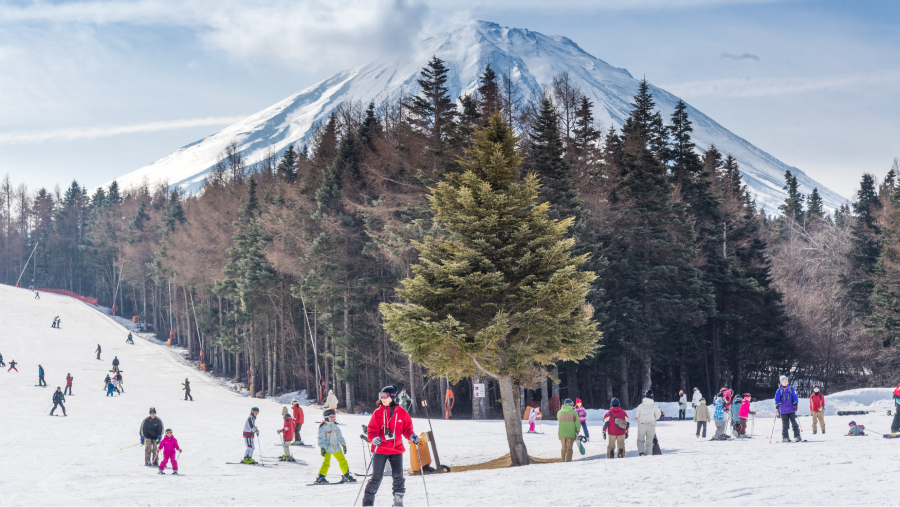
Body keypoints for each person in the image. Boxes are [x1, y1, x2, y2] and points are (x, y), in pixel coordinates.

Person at [362, 385, 418, 507]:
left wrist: (412, 436)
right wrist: (374, 438)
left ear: (392, 397)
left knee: (398, 477)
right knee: (376, 478)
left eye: (384, 396)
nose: (382, 398)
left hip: (396, 450)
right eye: (380, 396)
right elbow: (371, 431)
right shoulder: (378, 413)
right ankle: (367, 504)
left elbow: (407, 429)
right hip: (380, 450)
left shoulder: (402, 413)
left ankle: (398, 503)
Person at [316, 408, 355, 483]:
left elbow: (340, 436)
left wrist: (343, 444)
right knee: (326, 463)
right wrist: (322, 448)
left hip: (336, 447)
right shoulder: (323, 427)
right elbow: (321, 439)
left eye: (334, 417)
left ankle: (346, 475)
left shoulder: (335, 426)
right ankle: (321, 476)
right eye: (331, 417)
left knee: (343, 461)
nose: (333, 418)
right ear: (326, 417)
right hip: (327, 448)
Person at [634, 390, 662, 455]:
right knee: (649, 442)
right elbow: (658, 416)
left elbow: (637, 416)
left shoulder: (640, 406)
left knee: (640, 440)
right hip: (651, 425)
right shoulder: (655, 406)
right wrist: (653, 420)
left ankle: (641, 453)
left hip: (642, 425)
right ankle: (649, 455)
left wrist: (640, 422)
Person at [775, 375, 802, 442]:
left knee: (794, 423)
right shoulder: (779, 391)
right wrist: (777, 404)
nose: (785, 382)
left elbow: (795, 396)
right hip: (783, 410)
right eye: (783, 381)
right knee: (785, 425)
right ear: (781, 382)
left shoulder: (791, 389)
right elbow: (777, 398)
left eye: (786, 381)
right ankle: (785, 437)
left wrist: (795, 404)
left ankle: (797, 436)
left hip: (791, 409)